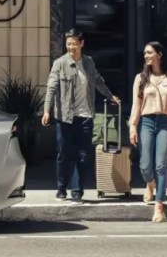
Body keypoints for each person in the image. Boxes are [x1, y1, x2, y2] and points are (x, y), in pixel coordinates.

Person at [42, 29, 121, 205]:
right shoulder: (59, 63)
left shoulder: (89, 62)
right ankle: (62, 188)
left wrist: (110, 96)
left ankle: (77, 191)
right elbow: (51, 88)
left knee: (82, 154)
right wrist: (47, 110)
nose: (71, 47)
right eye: (68, 44)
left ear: (82, 44)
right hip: (65, 117)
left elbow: (98, 81)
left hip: (85, 116)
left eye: (74, 44)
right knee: (64, 153)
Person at [128, 41, 167, 223]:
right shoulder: (140, 79)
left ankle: (159, 207)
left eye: (150, 53)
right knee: (145, 165)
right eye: (145, 54)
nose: (146, 56)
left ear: (159, 55)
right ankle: (150, 184)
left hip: (165, 122)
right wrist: (133, 126)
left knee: (160, 166)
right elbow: (136, 105)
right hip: (147, 122)